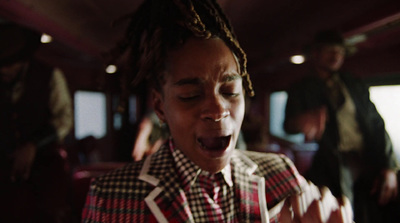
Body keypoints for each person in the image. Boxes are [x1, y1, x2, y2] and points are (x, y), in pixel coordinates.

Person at [82, 1, 353, 222]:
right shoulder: (111, 198)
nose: (217, 110)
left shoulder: (280, 175)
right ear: (159, 107)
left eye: (230, 92)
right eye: (190, 95)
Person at [284, 30, 399, 222]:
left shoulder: (353, 83)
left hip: (367, 159)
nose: (336, 56)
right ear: (316, 53)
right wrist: (302, 121)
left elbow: (376, 124)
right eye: (330, 50)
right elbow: (289, 125)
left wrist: (389, 167)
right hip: (331, 163)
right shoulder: (301, 88)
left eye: (340, 51)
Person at [0, 22, 75, 222]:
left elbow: (64, 119)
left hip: (45, 172)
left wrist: (33, 145)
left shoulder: (50, 76)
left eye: (9, 64)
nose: (4, 70)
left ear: (23, 60)